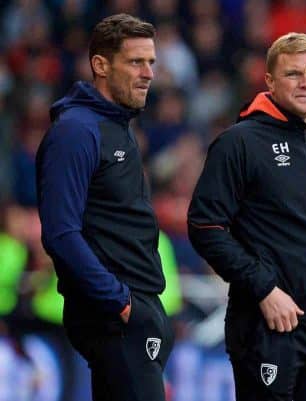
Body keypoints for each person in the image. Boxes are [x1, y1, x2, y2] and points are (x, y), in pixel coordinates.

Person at [188, 32, 306, 401]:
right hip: (268, 329)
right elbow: (205, 227)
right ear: (269, 80)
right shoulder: (238, 143)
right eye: (294, 74)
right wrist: (264, 289)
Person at [35, 14, 173, 401]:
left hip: (136, 314)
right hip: (115, 317)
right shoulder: (77, 130)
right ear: (100, 64)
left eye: (152, 62)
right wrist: (121, 302)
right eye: (135, 62)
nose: (148, 73)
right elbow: (61, 233)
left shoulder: (118, 127)